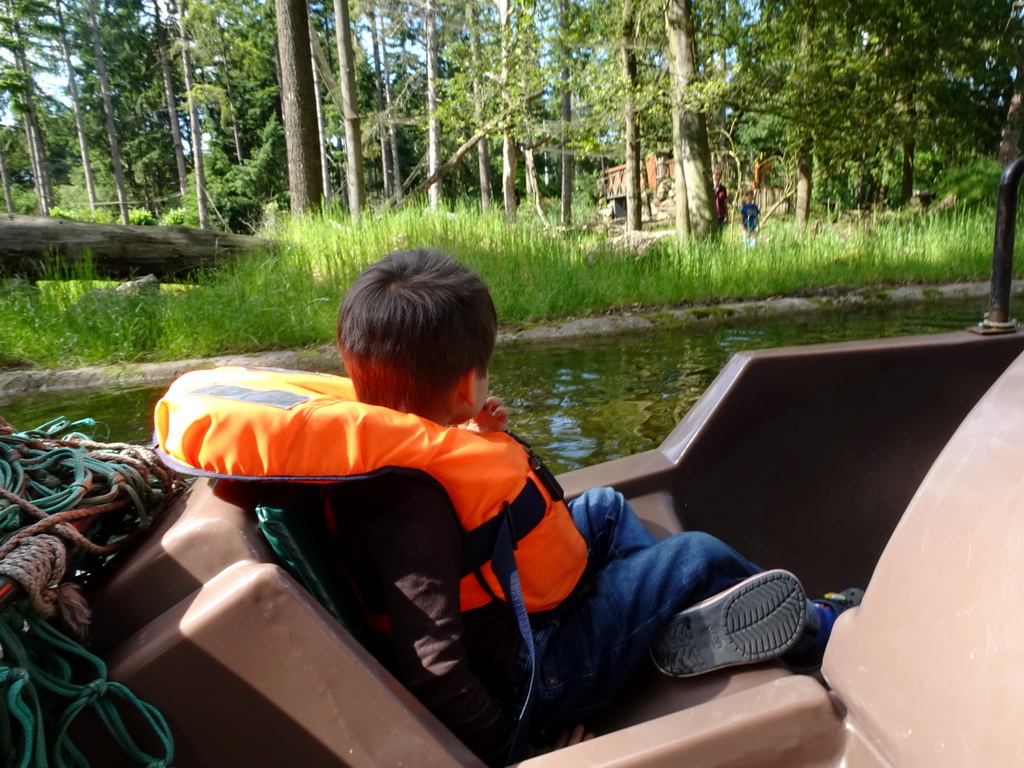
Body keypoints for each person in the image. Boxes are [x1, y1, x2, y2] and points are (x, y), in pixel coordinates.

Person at [329, 249, 858, 764]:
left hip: (511, 621)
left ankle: (658, 623)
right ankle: (819, 626)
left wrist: (468, 433)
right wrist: (521, 752)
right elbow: (435, 670)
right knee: (695, 555)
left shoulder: (387, 461)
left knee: (604, 506)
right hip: (532, 679)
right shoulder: (409, 510)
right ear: (468, 384)